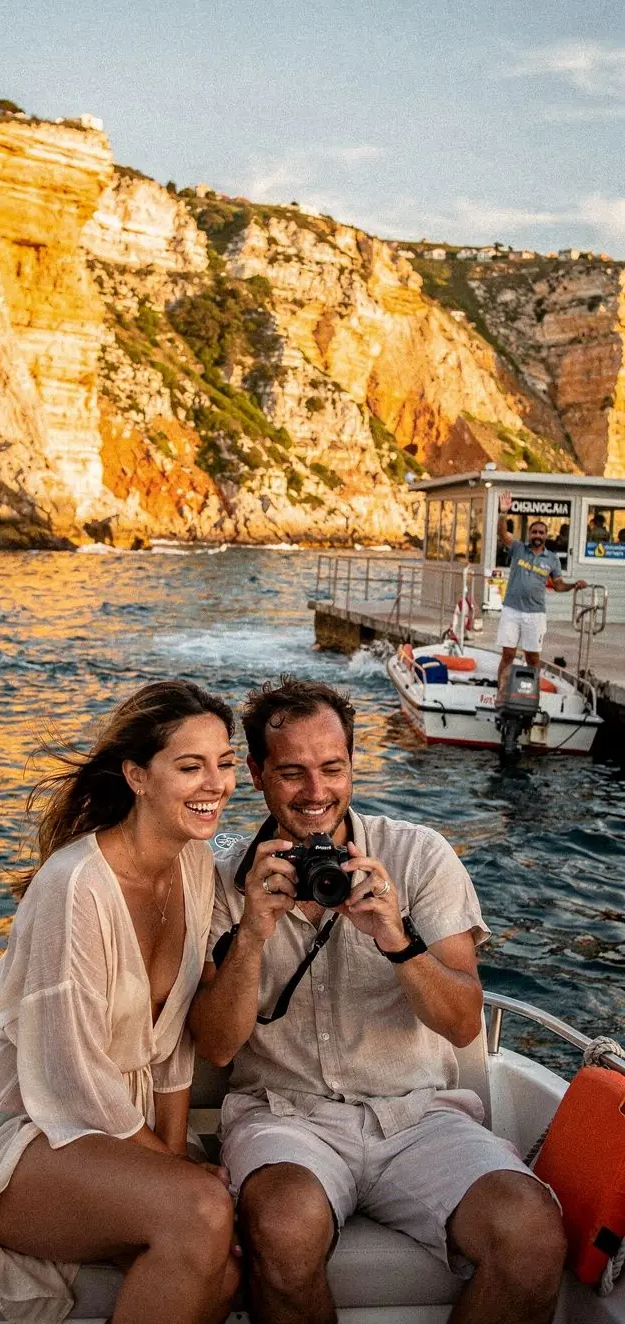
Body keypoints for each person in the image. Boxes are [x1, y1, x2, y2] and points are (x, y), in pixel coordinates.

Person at [188, 678, 567, 1324]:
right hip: (286, 1114)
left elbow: (460, 1020)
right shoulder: (219, 881)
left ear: (353, 765)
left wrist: (396, 937)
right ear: (254, 773)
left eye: (333, 769)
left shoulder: (418, 857)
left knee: (531, 1232)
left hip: (419, 1114)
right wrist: (252, 932)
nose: (316, 792)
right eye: (292, 772)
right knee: (282, 1227)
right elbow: (218, 1046)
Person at [0, 680, 241, 1324]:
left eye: (225, 762)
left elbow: (175, 1044)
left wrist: (177, 1160)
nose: (216, 783)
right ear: (137, 776)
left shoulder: (195, 865)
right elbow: (72, 1081)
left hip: (116, 1126)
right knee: (205, 1211)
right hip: (21, 1129)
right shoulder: (76, 888)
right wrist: (180, 1177)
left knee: (226, 1263)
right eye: (190, 766)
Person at [495, 492, 587, 697]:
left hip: (535, 614)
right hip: (512, 609)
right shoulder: (518, 548)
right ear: (529, 534)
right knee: (508, 653)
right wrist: (503, 513)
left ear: (546, 536)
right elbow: (502, 534)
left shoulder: (552, 559)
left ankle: (530, 692)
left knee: (532, 658)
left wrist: (574, 586)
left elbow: (558, 584)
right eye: (534, 532)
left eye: (541, 532)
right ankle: (500, 690)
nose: (537, 535)